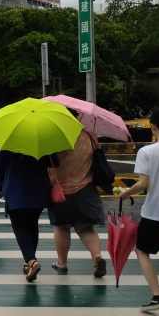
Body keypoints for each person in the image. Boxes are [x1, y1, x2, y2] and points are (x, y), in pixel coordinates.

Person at [48, 115, 107, 278]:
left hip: (61, 190)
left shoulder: (52, 137)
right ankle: (97, 257)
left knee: (62, 226)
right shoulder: (88, 134)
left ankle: (62, 262)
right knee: (86, 227)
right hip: (86, 188)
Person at [119, 107, 159, 311]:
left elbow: (143, 184)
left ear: (153, 127)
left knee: (142, 250)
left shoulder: (146, 152)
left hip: (154, 212)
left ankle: (157, 295)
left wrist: (126, 194)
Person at [0, 150, 53, 282]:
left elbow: (0, 167)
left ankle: (31, 261)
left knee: (19, 226)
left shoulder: (8, 144)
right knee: (32, 224)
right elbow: (55, 163)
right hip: (39, 188)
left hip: (16, 189)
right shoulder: (42, 141)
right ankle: (29, 261)